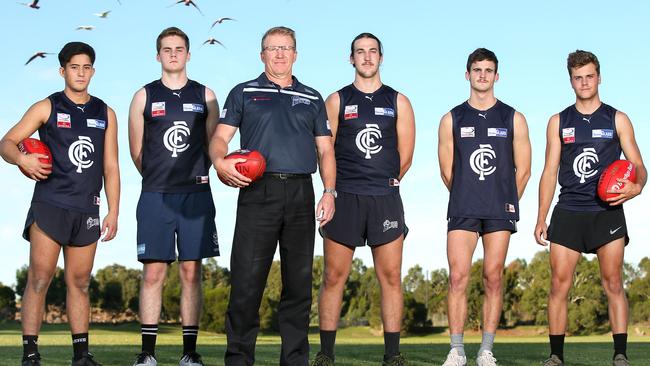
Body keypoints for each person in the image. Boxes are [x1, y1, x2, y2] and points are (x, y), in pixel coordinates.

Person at [209, 26, 336, 366]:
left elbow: (325, 151)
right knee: (247, 283)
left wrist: (329, 191)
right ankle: (238, 359)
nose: (280, 54)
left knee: (298, 285)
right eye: (272, 48)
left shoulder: (312, 97)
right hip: (257, 192)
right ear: (261, 54)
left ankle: (295, 361)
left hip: (300, 192)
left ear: (295, 54)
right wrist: (220, 163)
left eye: (286, 48)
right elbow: (220, 139)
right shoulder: (244, 92)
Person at [0, 41, 120, 366]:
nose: (80, 73)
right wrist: (22, 160)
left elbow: (111, 166)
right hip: (51, 203)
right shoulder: (47, 107)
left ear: (93, 71)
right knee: (39, 279)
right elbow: (6, 143)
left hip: (87, 210)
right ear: (62, 70)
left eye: (86, 67)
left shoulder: (106, 112)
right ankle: (30, 354)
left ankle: (81, 356)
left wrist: (114, 210)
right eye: (74, 67)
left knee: (79, 283)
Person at [535, 50, 646, 366]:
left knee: (613, 283)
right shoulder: (558, 121)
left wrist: (636, 187)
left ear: (599, 77)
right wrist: (541, 217)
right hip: (568, 210)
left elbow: (639, 165)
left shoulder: (617, 119)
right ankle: (555, 356)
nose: (584, 82)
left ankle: (620, 354)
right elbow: (548, 171)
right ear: (570, 81)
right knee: (559, 285)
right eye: (578, 77)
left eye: (589, 76)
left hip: (606, 212)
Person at [311, 33, 415, 366]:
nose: (367, 57)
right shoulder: (336, 100)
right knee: (333, 277)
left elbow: (406, 152)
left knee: (391, 277)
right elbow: (324, 150)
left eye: (372, 52)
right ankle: (326, 354)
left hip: (384, 198)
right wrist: (331, 191)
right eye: (360, 52)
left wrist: (387, 182)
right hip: (345, 198)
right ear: (351, 58)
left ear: (381, 58)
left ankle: (392, 355)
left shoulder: (399, 101)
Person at [128, 27, 220, 366]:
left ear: (188, 54)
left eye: (179, 49)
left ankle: (189, 353)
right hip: (156, 195)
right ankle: (148, 353)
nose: (173, 54)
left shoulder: (206, 95)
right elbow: (136, 151)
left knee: (191, 271)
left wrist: (192, 176)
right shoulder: (143, 96)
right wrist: (159, 179)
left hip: (196, 194)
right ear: (158, 55)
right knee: (153, 273)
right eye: (166, 49)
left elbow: (214, 146)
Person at [437, 48, 531, 366]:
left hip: (499, 210)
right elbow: (447, 170)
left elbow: (525, 169)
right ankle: (457, 350)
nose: (482, 75)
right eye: (477, 70)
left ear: (496, 76)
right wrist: (469, 193)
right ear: (467, 74)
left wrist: (503, 200)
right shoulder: (451, 118)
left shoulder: (513, 117)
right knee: (458, 277)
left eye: (488, 70)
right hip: (463, 206)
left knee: (493, 277)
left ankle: (486, 350)